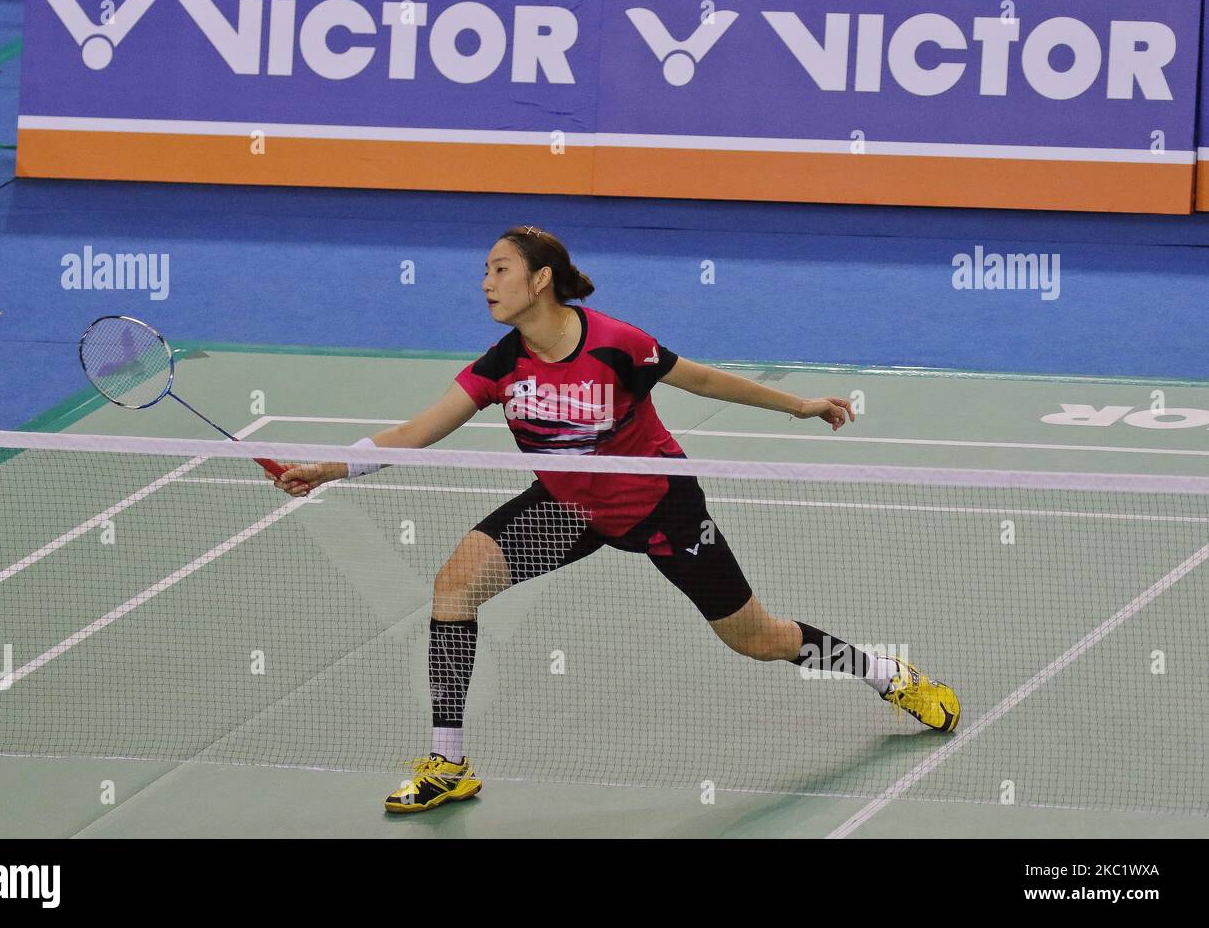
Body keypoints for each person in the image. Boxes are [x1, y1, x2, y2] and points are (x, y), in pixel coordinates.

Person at [271, 226, 960, 814]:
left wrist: (799, 405)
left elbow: (704, 381)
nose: (486, 282)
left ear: (541, 280)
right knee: (454, 586)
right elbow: (417, 433)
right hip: (570, 510)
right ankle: (448, 762)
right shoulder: (499, 367)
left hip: (659, 507)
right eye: (485, 271)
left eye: (499, 270)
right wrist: (328, 469)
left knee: (759, 638)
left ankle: (882, 673)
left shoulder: (613, 343)